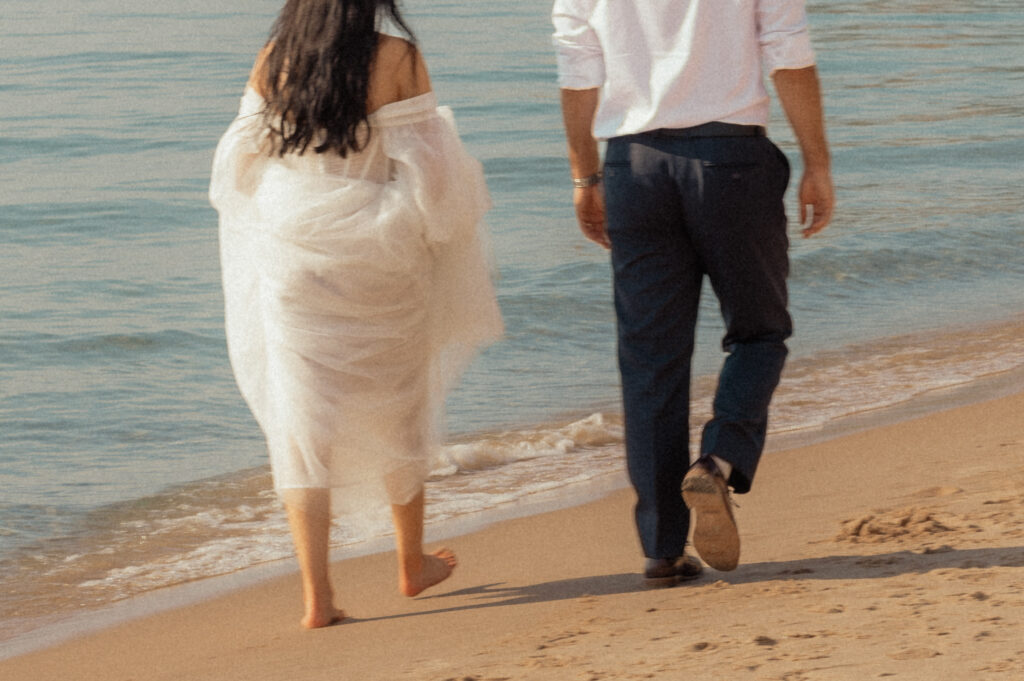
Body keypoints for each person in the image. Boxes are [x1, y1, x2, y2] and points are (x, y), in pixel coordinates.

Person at [210, 0, 502, 628]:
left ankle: (318, 597)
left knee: (301, 420)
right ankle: (410, 564)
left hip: (294, 248)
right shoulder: (398, 55)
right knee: (400, 400)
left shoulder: (275, 57)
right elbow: (433, 174)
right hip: (380, 252)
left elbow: (238, 160)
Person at [552, 0, 834, 585]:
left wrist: (585, 178)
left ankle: (661, 549)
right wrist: (817, 164)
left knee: (651, 360)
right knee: (760, 332)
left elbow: (579, 72)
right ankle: (718, 458)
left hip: (634, 165)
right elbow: (789, 54)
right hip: (731, 159)